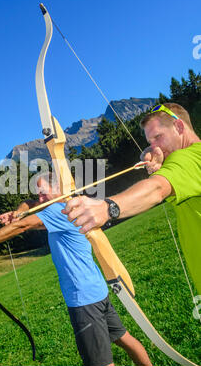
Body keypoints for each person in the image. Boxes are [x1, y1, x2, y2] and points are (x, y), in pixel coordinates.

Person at [0, 173, 153, 366]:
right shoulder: (70, 206)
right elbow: (29, 203)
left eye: (43, 194)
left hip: (83, 301)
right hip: (97, 291)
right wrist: (17, 212)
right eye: (38, 194)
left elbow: (24, 226)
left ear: (58, 190)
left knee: (100, 364)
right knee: (125, 339)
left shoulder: (57, 212)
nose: (40, 199)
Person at [63, 103, 201, 295]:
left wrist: (107, 207)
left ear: (179, 127)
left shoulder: (189, 158)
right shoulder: (191, 161)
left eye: (158, 137)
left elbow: (157, 188)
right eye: (150, 141)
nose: (154, 146)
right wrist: (161, 168)